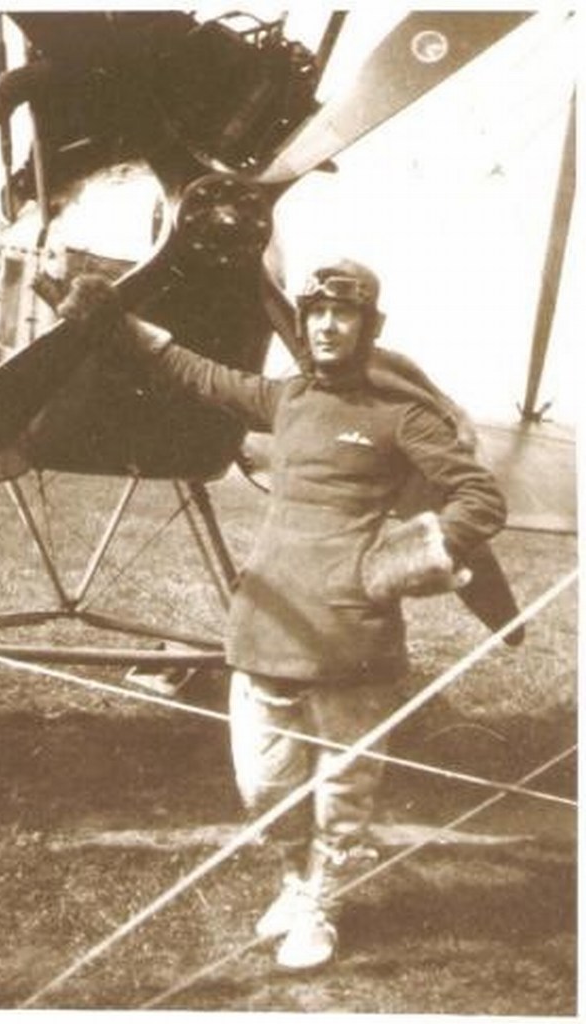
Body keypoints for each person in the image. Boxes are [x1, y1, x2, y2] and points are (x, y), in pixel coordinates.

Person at [55, 259, 507, 971]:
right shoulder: (287, 398)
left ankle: (321, 912)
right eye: (315, 312)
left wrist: (404, 562)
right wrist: (112, 319)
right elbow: (193, 372)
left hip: (350, 640)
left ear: (367, 326)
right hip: (264, 633)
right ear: (302, 322)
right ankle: (297, 886)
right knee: (264, 787)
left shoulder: (402, 414)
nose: (326, 325)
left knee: (342, 795)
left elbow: (479, 498)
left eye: (343, 314)